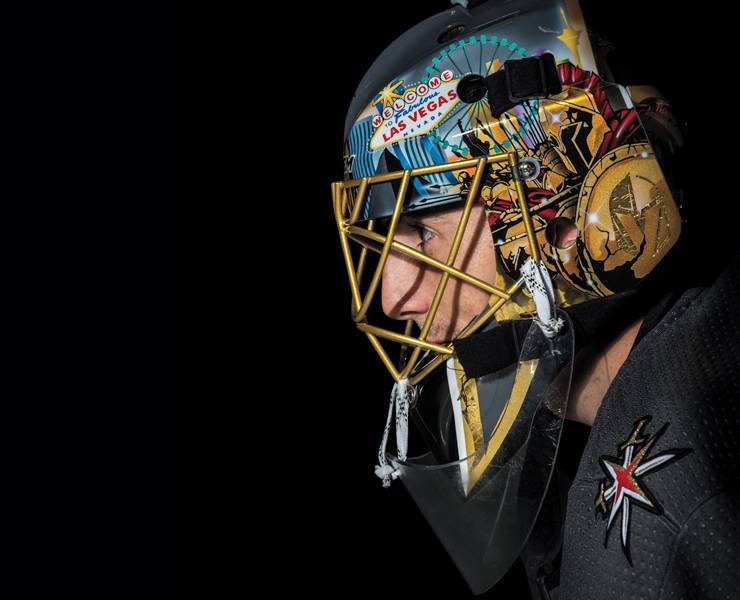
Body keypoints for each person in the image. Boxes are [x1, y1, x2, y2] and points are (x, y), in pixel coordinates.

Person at [332, 1, 740, 598]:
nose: (392, 298)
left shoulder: (673, 504)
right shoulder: (693, 365)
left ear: (565, 225)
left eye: (420, 231)